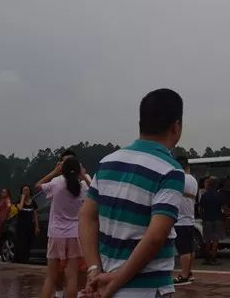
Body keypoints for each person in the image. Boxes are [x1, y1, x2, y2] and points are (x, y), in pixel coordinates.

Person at [79, 88, 185, 298]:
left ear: (141, 122)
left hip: (103, 282)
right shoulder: (170, 170)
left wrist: (94, 270)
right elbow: (155, 237)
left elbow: (87, 216)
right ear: (176, 126)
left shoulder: (108, 162)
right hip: (147, 287)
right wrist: (116, 282)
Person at [35, 156, 88, 298]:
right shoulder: (81, 186)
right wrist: (83, 175)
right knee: (72, 278)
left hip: (56, 233)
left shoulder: (56, 183)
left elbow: (38, 185)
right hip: (74, 234)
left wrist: (54, 172)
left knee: (51, 277)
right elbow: (96, 193)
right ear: (77, 170)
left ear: (62, 169)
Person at [173, 155, 199, 287]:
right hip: (190, 219)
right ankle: (189, 272)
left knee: (183, 250)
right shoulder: (193, 180)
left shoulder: (179, 178)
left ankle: (184, 275)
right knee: (190, 249)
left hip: (180, 220)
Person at [199, 177, 225, 265]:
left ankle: (207, 259)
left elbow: (200, 208)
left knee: (207, 240)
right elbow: (223, 208)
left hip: (207, 220)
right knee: (215, 240)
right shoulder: (219, 195)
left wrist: (203, 216)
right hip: (218, 219)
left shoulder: (204, 195)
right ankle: (214, 258)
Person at [14, 184, 39, 264]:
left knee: (28, 243)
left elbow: (35, 215)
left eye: (27, 190)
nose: (26, 192)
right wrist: (22, 198)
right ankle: (20, 260)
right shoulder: (19, 201)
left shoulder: (33, 202)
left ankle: (26, 259)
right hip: (21, 226)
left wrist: (36, 227)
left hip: (30, 226)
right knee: (21, 243)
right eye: (24, 190)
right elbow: (20, 208)